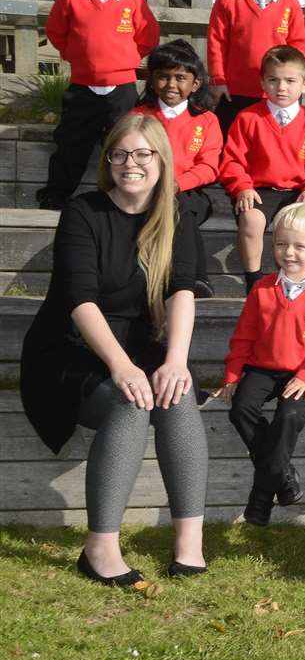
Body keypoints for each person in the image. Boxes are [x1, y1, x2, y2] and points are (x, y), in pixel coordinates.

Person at [21, 113, 207, 583]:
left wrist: (176, 362)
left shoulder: (176, 215)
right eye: (120, 154)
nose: (131, 164)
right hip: (69, 350)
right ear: (108, 161)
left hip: (140, 348)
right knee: (130, 401)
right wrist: (123, 367)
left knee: (177, 393)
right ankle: (100, 549)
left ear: (161, 160)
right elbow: (79, 301)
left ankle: (189, 544)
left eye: (143, 153)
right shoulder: (84, 212)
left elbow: (181, 290)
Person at [221, 202, 305, 525]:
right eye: (281, 244)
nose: (288, 252)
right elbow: (244, 335)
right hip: (263, 366)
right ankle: (282, 474)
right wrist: (233, 373)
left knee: (288, 415)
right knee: (241, 409)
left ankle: (261, 498)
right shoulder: (263, 289)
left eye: (299, 246)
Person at [39, 0, 160, 209]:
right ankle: (56, 193)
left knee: (122, 145)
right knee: (71, 142)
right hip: (82, 86)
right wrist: (76, 54)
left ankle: (117, 196)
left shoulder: (133, 0)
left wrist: (125, 59)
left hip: (121, 88)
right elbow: (56, 31)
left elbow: (148, 36)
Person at [219, 45, 305, 290]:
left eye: (290, 81)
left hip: (298, 192)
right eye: (273, 80)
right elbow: (232, 161)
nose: (281, 87)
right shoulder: (247, 118)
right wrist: (242, 187)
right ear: (262, 83)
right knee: (252, 219)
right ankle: (254, 281)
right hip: (258, 190)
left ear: (304, 84)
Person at [134, 40, 221, 298]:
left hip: (190, 193)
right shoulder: (139, 116)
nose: (171, 85)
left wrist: (177, 184)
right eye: (163, 77)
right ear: (151, 81)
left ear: (195, 84)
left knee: (180, 206)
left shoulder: (206, 120)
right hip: (146, 190)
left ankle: (193, 278)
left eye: (180, 78)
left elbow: (209, 166)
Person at [207, 0, 305, 138]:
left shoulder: (289, 1)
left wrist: (296, 81)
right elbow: (216, 42)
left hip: (275, 92)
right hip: (235, 90)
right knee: (232, 142)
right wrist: (218, 80)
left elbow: (298, 45)